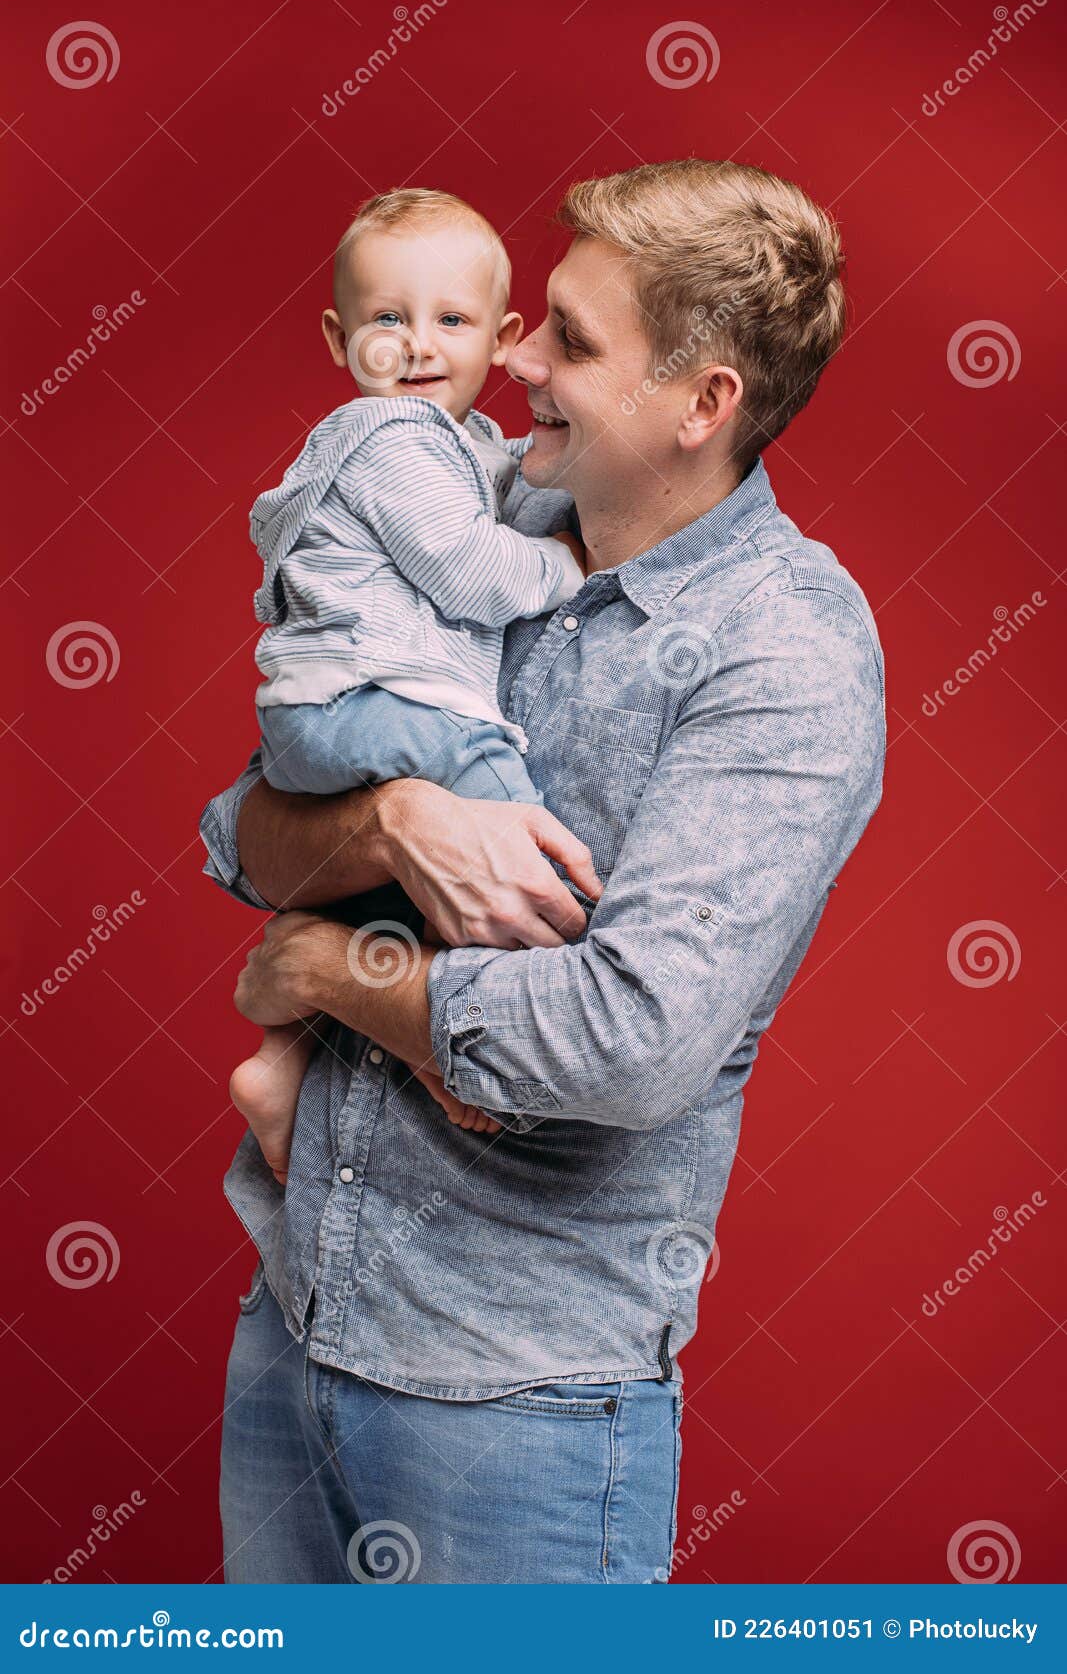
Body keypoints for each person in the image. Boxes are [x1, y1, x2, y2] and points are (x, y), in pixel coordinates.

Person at [200, 159, 885, 1584]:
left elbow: (627, 1042)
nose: (507, 356)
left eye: (565, 339)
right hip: (297, 1314)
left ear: (700, 405)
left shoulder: (786, 652)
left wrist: (327, 965)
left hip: (509, 1400)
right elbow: (240, 831)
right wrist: (391, 820)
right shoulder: (472, 519)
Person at [231, 188, 589, 1179]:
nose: (418, 346)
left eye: (451, 320)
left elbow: (501, 480)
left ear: (503, 336)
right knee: (499, 823)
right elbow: (469, 570)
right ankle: (463, 1043)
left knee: (382, 894)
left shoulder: (464, 446)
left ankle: (284, 1060)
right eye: (387, 319)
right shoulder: (393, 437)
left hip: (324, 718)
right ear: (339, 337)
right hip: (372, 706)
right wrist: (564, 561)